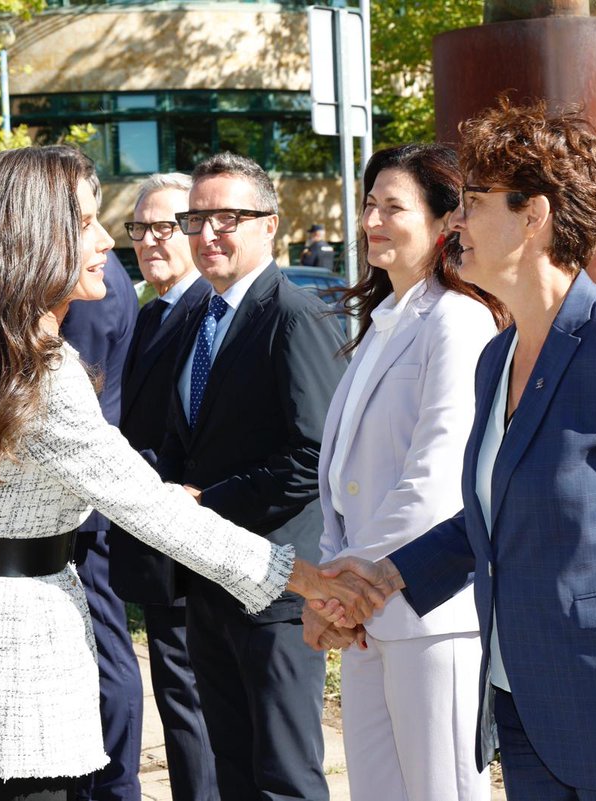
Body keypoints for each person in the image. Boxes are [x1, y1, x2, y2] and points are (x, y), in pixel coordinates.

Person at [0, 145, 379, 801]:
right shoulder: (40, 372)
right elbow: (152, 508)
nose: (103, 241)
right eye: (88, 221)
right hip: (22, 644)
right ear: (35, 237)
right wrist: (303, 577)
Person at [319, 99, 596, 800]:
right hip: (527, 712)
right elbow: (487, 520)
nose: (456, 221)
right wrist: (378, 580)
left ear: (534, 214)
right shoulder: (500, 355)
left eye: (475, 201)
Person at [303, 144, 506, 801]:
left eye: (394, 207)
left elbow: (435, 478)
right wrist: (338, 580)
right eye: (368, 205)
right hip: (367, 615)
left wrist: (342, 585)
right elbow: (340, 478)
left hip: (429, 612)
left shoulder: (459, 321)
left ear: (446, 222)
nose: (372, 221)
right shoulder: (383, 321)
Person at [156, 153, 347, 801]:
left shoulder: (294, 316)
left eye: (227, 217)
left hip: (277, 589)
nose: (208, 233)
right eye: (196, 218)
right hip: (211, 584)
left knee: (285, 777)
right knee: (230, 770)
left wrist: (203, 504)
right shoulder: (193, 319)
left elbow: (310, 456)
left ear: (270, 225)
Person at [109, 172, 217, 801]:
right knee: (176, 691)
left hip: (191, 528)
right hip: (153, 535)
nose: (149, 241)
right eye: (139, 229)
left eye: (165, 227)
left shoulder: (209, 311)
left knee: (192, 697)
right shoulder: (151, 314)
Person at [60, 248, 146, 801]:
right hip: (82, 495)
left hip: (88, 502)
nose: (106, 239)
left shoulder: (91, 285)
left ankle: (113, 785)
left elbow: (80, 405)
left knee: (107, 649)